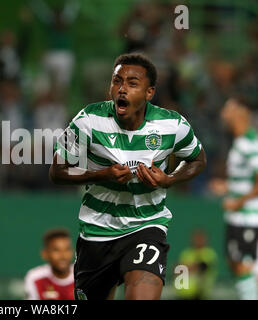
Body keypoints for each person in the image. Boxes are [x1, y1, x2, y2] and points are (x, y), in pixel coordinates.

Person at [49, 53, 207, 300]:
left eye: (132, 84)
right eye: (116, 81)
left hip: (146, 226)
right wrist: (102, 175)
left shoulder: (173, 125)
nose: (122, 89)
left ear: (149, 92)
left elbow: (197, 159)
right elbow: (57, 171)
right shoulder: (87, 120)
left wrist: (169, 179)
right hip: (97, 231)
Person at [217, 98, 258, 299]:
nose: (224, 113)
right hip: (237, 217)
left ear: (241, 112)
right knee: (236, 263)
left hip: (248, 216)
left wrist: (238, 202)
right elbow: (247, 179)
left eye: (228, 108)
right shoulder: (240, 141)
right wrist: (226, 187)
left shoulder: (250, 142)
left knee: (244, 266)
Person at [24, 228, 74, 300]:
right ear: (45, 254)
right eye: (56, 250)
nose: (63, 256)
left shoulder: (84, 276)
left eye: (67, 249)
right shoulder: (35, 278)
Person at [175, 229, 218, 300]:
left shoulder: (209, 253)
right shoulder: (186, 253)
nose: (198, 241)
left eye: (200, 238)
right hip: (183, 294)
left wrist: (186, 267)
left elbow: (203, 267)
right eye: (196, 238)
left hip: (201, 295)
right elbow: (176, 268)